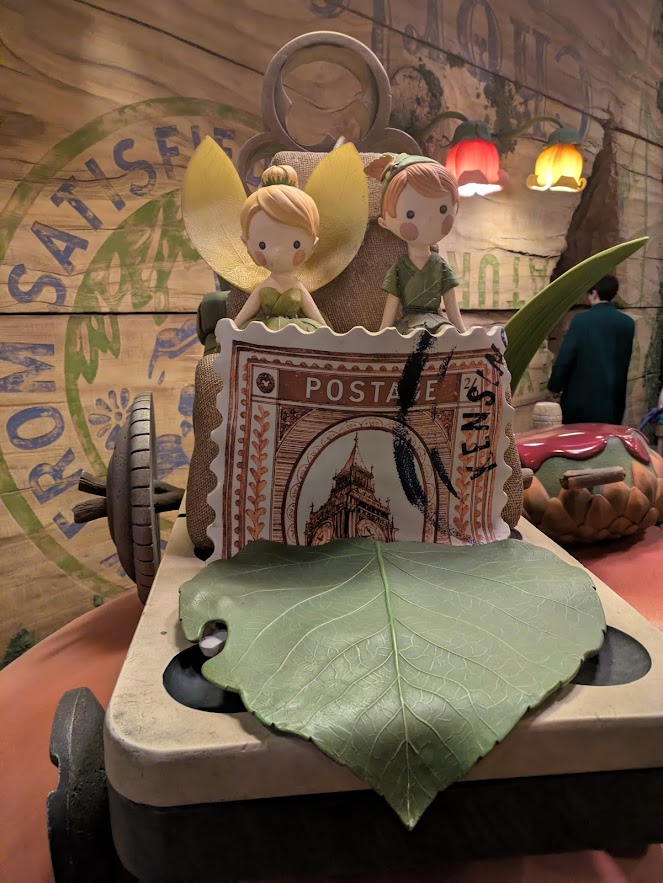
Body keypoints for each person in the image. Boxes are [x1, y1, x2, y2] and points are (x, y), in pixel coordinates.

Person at [547, 274, 634, 425]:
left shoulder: (581, 321)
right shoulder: (627, 323)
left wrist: (555, 386)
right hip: (613, 402)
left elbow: (566, 358)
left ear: (594, 293)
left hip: (580, 402)